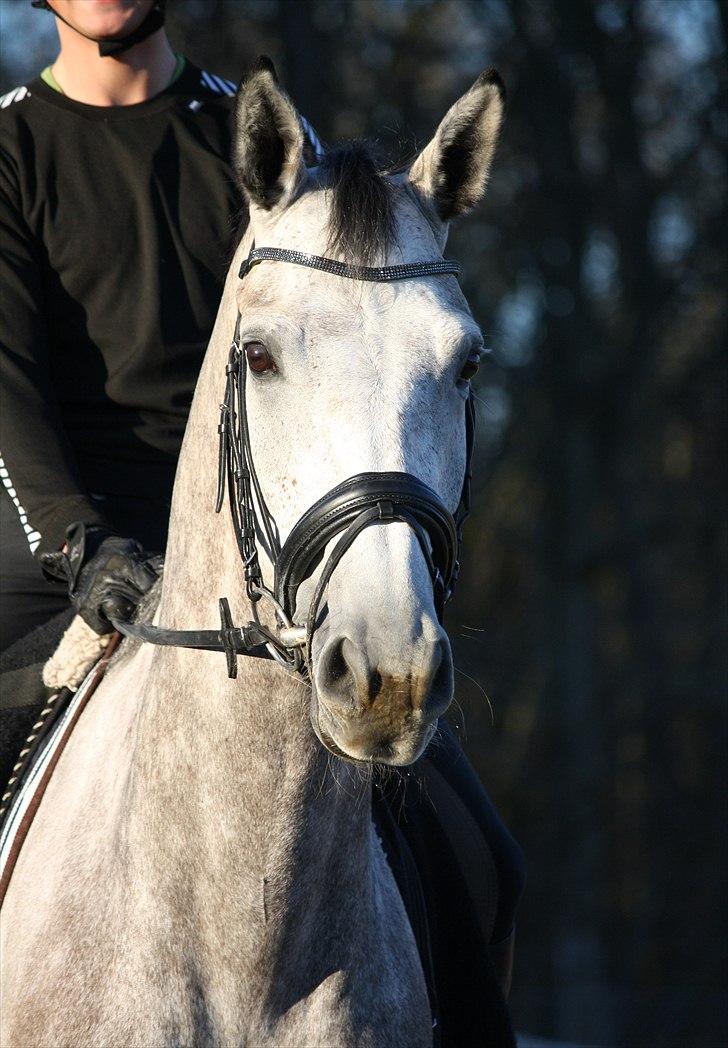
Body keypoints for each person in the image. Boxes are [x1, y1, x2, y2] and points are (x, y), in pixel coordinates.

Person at [0, 0, 524, 1030]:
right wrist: (81, 543)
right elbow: (6, 384)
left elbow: (348, 366)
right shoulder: (11, 147)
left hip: (261, 559)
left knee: (478, 851)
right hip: (49, 552)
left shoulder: (270, 145)